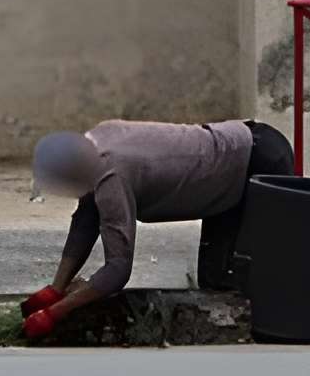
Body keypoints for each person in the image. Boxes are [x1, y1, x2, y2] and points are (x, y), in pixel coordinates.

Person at [19, 118, 294, 338]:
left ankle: (285, 330)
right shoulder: (94, 141)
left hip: (257, 161)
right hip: (230, 164)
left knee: (255, 279)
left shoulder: (111, 176)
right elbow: (85, 220)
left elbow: (118, 270)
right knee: (214, 280)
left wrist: (55, 313)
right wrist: (55, 288)